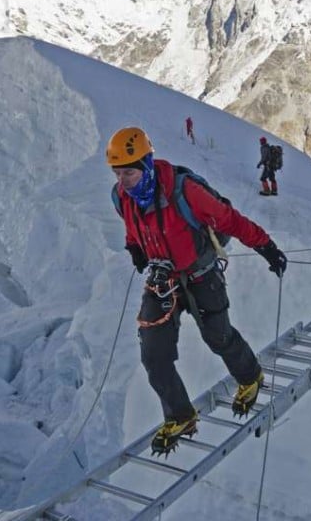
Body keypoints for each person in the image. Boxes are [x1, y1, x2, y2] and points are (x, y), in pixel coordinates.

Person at [107, 126, 288, 455]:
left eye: (129, 173)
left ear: (146, 165)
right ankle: (180, 416)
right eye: (118, 173)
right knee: (153, 354)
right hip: (163, 279)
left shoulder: (184, 190)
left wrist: (266, 246)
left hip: (201, 274)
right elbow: (134, 228)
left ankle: (250, 378)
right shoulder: (122, 197)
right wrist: (134, 247)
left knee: (218, 336)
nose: (123, 181)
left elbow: (229, 220)